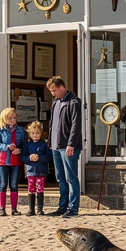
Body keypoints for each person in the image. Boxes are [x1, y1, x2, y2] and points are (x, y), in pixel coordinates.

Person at [46, 75, 83, 218]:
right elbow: (52, 124)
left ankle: (73, 209)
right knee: (60, 177)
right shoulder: (56, 102)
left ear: (62, 87)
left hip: (67, 146)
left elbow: (76, 125)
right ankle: (62, 206)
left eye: (54, 90)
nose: (53, 93)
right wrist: (50, 143)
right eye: (51, 91)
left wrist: (71, 144)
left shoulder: (73, 102)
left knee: (71, 177)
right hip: (56, 145)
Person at [0, 107, 25, 216]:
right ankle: (2, 208)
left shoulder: (20, 130)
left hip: (16, 160)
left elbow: (24, 145)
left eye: (14, 118)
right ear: (4, 119)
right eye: (10, 118)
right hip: (3, 160)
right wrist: (7, 146)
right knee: (3, 184)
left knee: (14, 184)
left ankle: (14, 209)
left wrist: (19, 150)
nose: (12, 120)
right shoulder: (0, 130)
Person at [23, 121, 51, 216]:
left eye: (37, 133)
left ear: (41, 133)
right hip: (31, 171)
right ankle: (31, 209)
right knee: (31, 189)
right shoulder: (27, 145)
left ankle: (40, 209)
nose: (35, 135)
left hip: (41, 171)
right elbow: (23, 157)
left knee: (40, 189)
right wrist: (29, 158)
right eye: (33, 133)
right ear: (30, 134)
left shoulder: (44, 144)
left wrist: (40, 158)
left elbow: (48, 157)